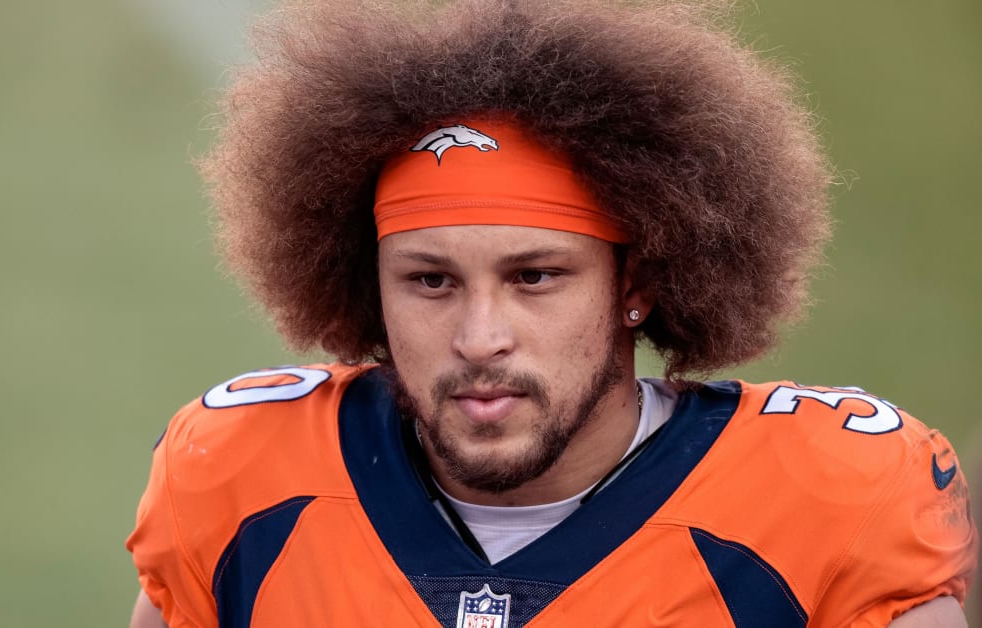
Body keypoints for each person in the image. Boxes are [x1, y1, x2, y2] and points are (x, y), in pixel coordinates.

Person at [126, 1, 977, 625]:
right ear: (365, 285)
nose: (479, 338)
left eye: (535, 276)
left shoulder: (832, 498)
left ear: (634, 281)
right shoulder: (239, 478)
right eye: (430, 281)